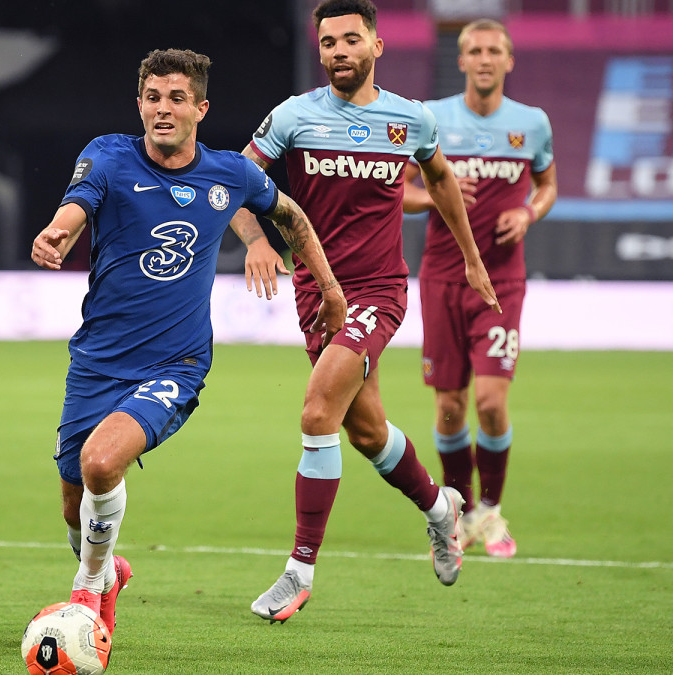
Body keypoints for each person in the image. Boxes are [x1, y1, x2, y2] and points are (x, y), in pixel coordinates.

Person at [31, 48, 345, 637]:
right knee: (75, 505)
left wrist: (328, 289)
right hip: (96, 360)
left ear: (201, 108)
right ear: (139, 104)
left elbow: (292, 216)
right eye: (153, 97)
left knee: (101, 463)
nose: (163, 109)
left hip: (175, 364)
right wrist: (57, 232)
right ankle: (106, 572)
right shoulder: (108, 155)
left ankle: (87, 597)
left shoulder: (230, 174)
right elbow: (76, 207)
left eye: (177, 99)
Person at [238, 0, 502, 624]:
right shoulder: (293, 116)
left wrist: (471, 258)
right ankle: (441, 508)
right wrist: (254, 241)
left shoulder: (409, 119)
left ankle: (299, 571)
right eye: (329, 42)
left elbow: (441, 179)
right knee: (367, 432)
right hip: (316, 292)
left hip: (377, 292)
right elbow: (235, 182)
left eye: (351, 39)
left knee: (316, 412)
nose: (339, 51)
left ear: (376, 46)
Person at [402, 19, 556, 559]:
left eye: (494, 50)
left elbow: (547, 184)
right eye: (475, 50)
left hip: (501, 282)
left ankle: (490, 510)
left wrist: (528, 212)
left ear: (509, 61)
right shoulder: (431, 118)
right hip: (442, 278)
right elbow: (398, 191)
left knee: (490, 403)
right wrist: (436, 195)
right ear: (462, 60)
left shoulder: (532, 123)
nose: (485, 59)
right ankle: (461, 515)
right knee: (449, 405)